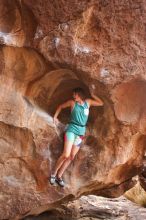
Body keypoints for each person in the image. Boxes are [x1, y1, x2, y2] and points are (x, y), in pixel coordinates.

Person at [49, 87, 104, 187]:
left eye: (75, 94)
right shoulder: (72, 103)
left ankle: (59, 176)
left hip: (81, 132)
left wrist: (93, 94)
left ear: (79, 94)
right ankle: (53, 174)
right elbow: (61, 106)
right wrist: (55, 117)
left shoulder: (88, 102)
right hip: (71, 130)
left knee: (71, 157)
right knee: (66, 154)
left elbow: (101, 103)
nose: (73, 96)